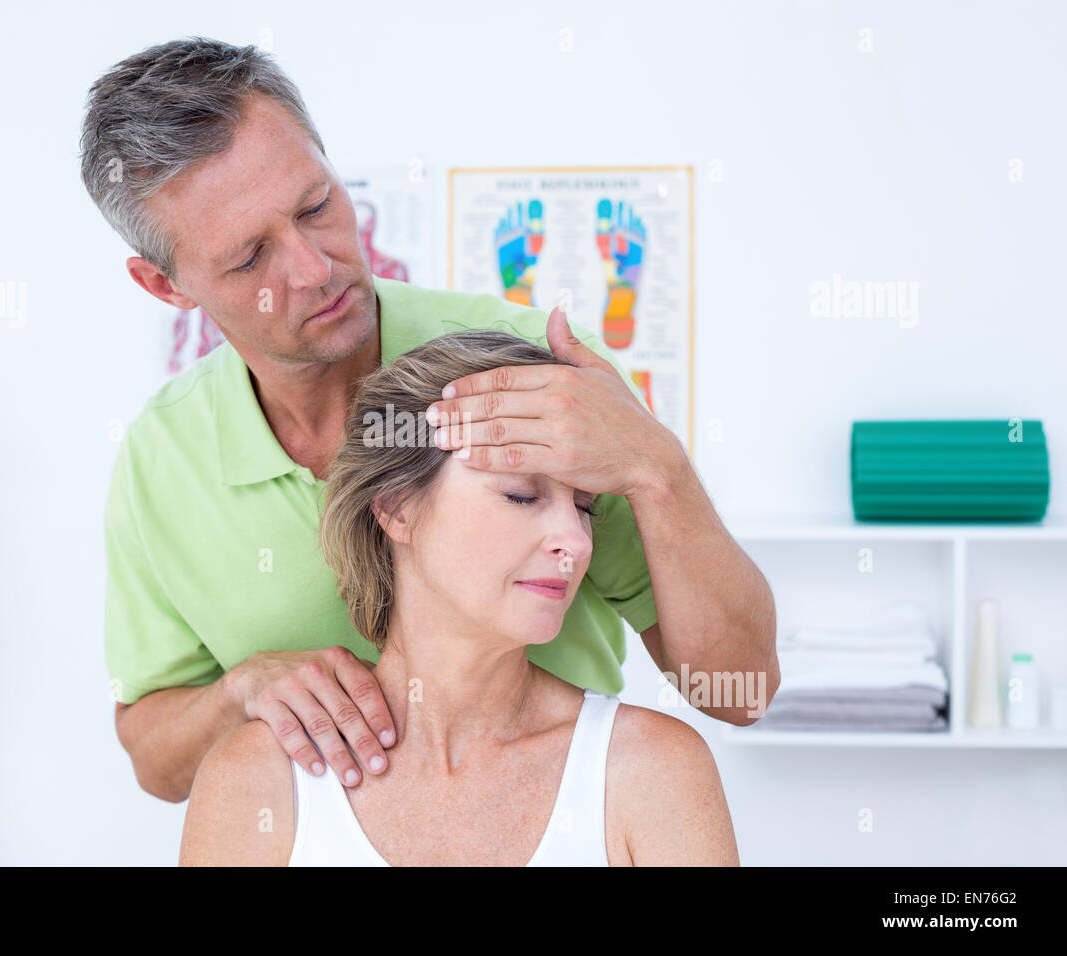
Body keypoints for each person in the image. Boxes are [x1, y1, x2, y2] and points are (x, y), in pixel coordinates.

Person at [79, 36, 778, 805]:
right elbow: (153, 757)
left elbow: (737, 692)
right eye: (250, 258)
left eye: (317, 206)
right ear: (164, 285)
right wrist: (238, 693)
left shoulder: (528, 370)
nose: (315, 269)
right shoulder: (161, 458)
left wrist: (657, 466)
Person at [179, 330, 740, 865]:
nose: (573, 540)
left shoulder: (650, 772)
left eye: (585, 507)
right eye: (522, 496)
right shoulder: (259, 780)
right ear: (398, 508)